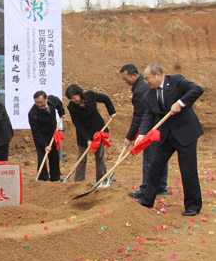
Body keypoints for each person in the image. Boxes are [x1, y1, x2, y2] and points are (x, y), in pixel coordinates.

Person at [135, 63, 204, 216]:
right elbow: (148, 115)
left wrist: (180, 103)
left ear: (158, 75)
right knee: (155, 166)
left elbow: (197, 89)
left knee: (188, 169)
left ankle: (193, 205)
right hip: (166, 135)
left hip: (185, 133)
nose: (146, 82)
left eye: (148, 79)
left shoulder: (177, 81)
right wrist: (142, 135)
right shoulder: (149, 95)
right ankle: (147, 200)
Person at [120, 64, 168, 198]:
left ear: (134, 75)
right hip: (161, 126)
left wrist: (130, 137)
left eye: (126, 78)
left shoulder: (140, 90)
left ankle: (147, 189)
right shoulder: (142, 86)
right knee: (160, 156)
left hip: (152, 128)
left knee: (149, 158)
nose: (125, 81)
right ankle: (161, 186)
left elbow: (139, 116)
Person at [65, 84, 116, 182]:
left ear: (79, 93)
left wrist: (112, 112)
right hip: (83, 133)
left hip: (98, 131)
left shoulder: (90, 95)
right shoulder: (71, 107)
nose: (73, 100)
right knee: (82, 158)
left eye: (74, 97)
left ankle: (102, 180)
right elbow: (78, 124)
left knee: (100, 156)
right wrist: (87, 139)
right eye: (71, 99)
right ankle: (79, 181)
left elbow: (106, 99)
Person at [28, 90, 65, 181]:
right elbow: (36, 133)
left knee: (54, 156)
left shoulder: (52, 100)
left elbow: (59, 104)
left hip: (52, 134)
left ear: (46, 99)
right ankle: (43, 179)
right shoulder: (33, 113)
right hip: (41, 137)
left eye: (41, 102)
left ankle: (55, 177)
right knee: (42, 157)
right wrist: (45, 145)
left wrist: (61, 113)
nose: (39, 104)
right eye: (36, 102)